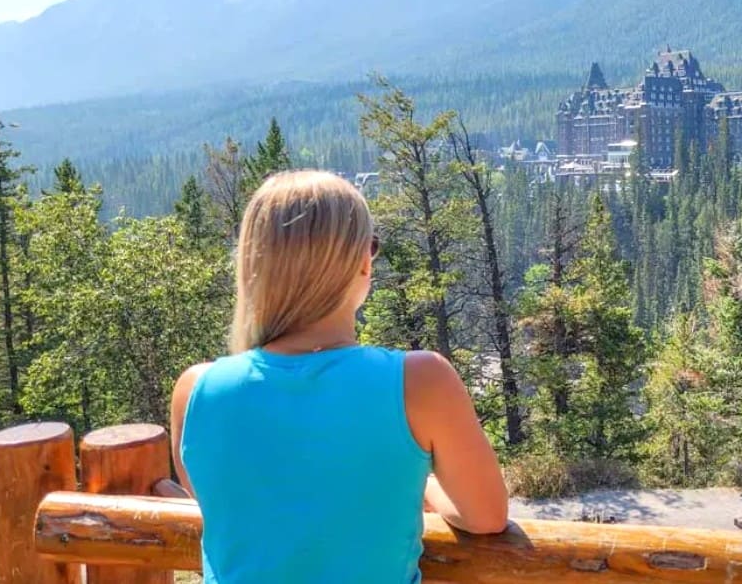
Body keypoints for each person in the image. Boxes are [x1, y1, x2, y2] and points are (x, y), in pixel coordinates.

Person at [171, 170, 508, 583]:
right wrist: (419, 483)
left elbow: (222, 499)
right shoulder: (421, 381)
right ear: (363, 262)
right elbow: (486, 517)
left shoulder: (197, 391)